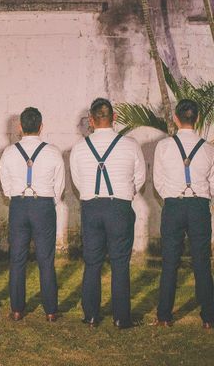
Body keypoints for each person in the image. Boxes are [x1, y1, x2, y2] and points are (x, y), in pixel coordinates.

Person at [70, 98, 145, 329]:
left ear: (91, 121)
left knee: (92, 262)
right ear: (114, 118)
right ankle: (121, 318)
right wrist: (126, 193)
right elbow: (140, 177)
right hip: (119, 206)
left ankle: (91, 315)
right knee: (120, 263)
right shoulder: (131, 145)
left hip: (91, 207)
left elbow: (77, 180)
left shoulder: (79, 148)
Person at [0, 107, 64, 322]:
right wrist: (47, 199)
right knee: (46, 259)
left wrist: (17, 197)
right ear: (41, 127)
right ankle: (51, 311)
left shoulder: (9, 152)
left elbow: (6, 186)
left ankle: (17, 309)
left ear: (20, 127)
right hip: (43, 205)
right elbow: (59, 186)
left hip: (18, 205)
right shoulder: (53, 152)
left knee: (17, 259)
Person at [153, 99, 214, 329]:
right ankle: (209, 317)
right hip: (199, 207)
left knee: (170, 261)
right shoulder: (208, 149)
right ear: (197, 119)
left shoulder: (164, 147)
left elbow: (158, 181)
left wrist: (172, 195)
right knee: (202, 262)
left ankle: (164, 316)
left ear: (176, 119)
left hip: (174, 206)